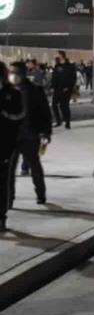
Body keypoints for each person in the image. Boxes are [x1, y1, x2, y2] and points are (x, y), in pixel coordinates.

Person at [8, 62, 52, 205]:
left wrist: (46, 133)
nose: (12, 75)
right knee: (9, 170)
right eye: (11, 72)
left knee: (35, 166)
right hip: (11, 136)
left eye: (15, 72)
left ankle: (41, 194)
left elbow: (46, 114)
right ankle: (9, 198)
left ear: (23, 74)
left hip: (30, 135)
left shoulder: (35, 91)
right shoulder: (7, 91)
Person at [0, 62, 26, 232]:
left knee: (2, 182)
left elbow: (20, 116)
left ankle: (1, 217)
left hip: (4, 145)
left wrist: (4, 113)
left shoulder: (12, 94)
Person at [51, 51, 76, 129]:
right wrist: (52, 86)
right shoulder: (57, 66)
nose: (56, 56)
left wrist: (68, 87)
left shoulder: (70, 66)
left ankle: (67, 122)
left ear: (62, 55)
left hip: (65, 89)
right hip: (57, 89)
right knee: (54, 104)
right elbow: (54, 77)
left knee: (64, 106)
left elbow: (73, 78)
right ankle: (58, 121)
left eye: (57, 54)